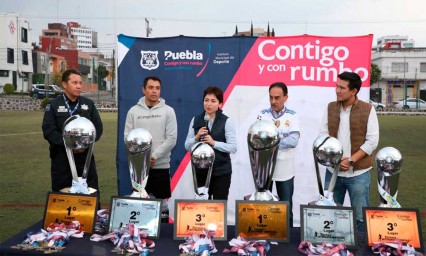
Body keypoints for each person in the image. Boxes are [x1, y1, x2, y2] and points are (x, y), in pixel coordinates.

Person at [319, 71, 379, 233]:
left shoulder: (368, 110)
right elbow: (323, 136)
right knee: (330, 215)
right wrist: (335, 160)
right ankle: (331, 248)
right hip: (333, 171)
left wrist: (350, 160)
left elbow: (372, 141)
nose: (337, 90)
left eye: (342, 88)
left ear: (354, 91)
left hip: (359, 173)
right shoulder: (330, 107)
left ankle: (360, 249)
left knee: (360, 217)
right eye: (336, 86)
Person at [42, 69, 103, 196]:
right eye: (75, 83)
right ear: (64, 84)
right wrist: (69, 144)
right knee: (62, 194)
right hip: (61, 158)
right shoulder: (53, 104)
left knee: (90, 193)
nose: (79, 86)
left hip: (85, 158)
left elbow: (97, 128)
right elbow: (48, 130)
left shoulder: (88, 104)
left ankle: (92, 216)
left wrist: (84, 145)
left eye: (80, 83)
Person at [124, 76, 177, 222]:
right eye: (151, 88)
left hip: (160, 164)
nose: (154, 91)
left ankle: (164, 236)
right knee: (140, 203)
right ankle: (139, 235)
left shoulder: (168, 111)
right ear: (144, 89)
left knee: (162, 204)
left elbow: (172, 139)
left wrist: (153, 157)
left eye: (157, 88)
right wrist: (144, 160)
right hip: (139, 168)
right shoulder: (133, 112)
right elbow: (128, 138)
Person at [257, 82, 300, 227]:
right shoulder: (262, 115)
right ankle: (266, 233)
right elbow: (257, 139)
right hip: (265, 168)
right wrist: (281, 139)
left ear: (286, 97)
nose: (273, 101)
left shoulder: (293, 116)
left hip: (285, 170)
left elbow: (293, 141)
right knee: (264, 206)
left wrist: (270, 140)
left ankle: (286, 241)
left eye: (277, 98)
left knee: (286, 206)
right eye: (271, 98)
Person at [184, 86, 237, 200]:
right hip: (200, 170)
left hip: (221, 171)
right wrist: (196, 137)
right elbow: (187, 146)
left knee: (219, 206)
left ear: (220, 104)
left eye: (213, 101)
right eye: (206, 100)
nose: (208, 104)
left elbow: (233, 147)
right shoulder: (196, 120)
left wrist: (214, 143)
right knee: (202, 206)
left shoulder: (227, 121)